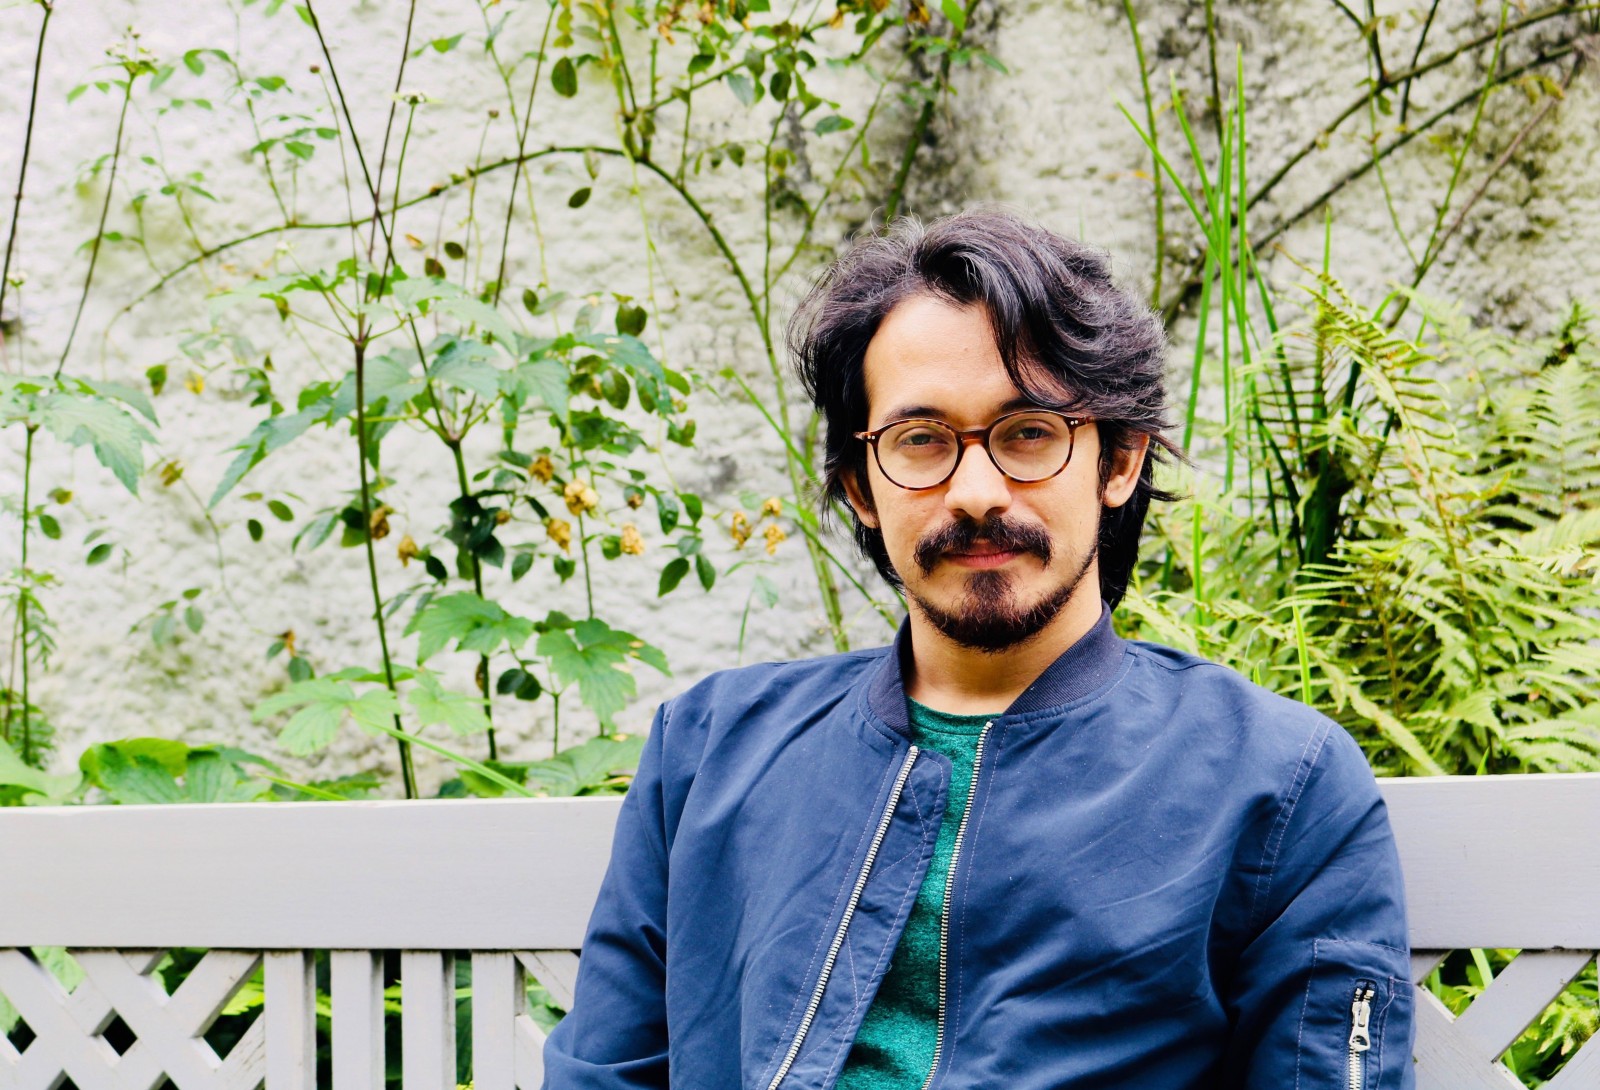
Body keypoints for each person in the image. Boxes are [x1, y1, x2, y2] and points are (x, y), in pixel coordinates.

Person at [541, 209, 1414, 1090]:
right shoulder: (708, 752)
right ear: (861, 490)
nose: (976, 492)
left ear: (1118, 462)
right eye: (920, 441)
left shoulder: (1274, 784)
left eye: (1029, 432)